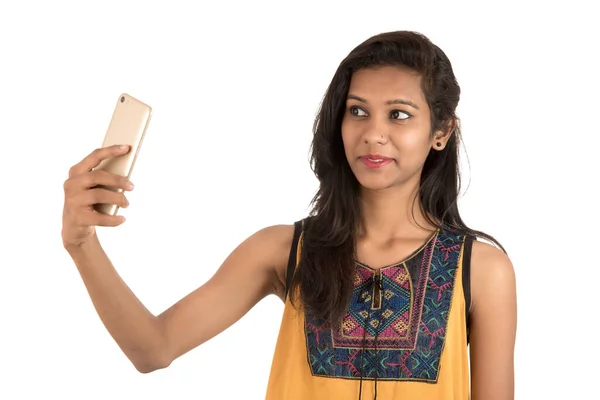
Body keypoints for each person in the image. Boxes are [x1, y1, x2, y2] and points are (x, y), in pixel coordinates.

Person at [62, 30, 517, 400]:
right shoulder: (284, 251)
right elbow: (153, 348)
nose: (373, 133)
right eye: (357, 111)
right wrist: (82, 244)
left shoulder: (480, 269)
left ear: (441, 131)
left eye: (399, 115)